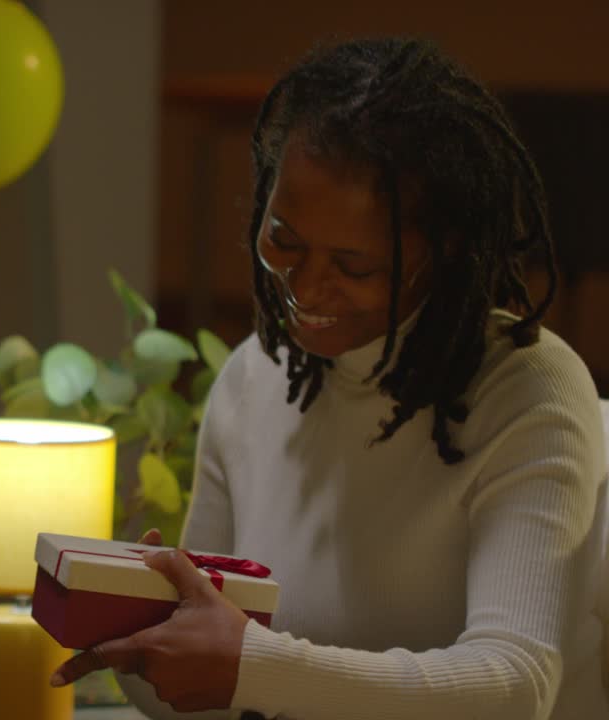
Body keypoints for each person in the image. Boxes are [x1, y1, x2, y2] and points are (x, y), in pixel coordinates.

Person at [50, 37, 609, 719]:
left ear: (446, 249)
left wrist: (253, 665)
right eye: (285, 238)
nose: (307, 287)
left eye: (355, 266)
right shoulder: (255, 378)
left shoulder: (528, 394)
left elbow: (516, 684)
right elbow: (216, 698)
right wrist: (146, 641)